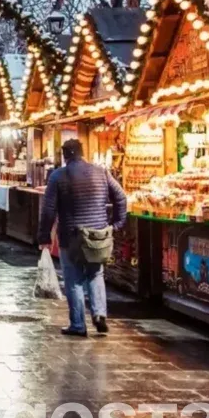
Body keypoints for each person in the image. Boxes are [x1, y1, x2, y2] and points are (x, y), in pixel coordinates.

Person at [38, 139, 127, 337]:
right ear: (82, 152)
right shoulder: (101, 172)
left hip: (71, 236)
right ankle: (99, 314)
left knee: (74, 280)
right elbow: (121, 197)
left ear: (65, 155)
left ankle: (78, 324)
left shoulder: (58, 176)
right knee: (96, 274)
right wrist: (116, 224)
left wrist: (44, 236)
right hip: (98, 235)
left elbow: (48, 210)